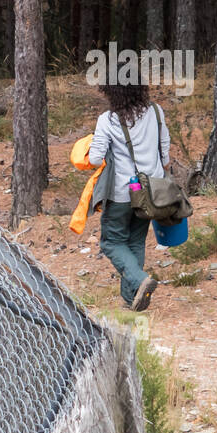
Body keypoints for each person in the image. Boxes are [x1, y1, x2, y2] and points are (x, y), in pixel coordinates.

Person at [87, 84, 170, 311]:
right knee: (135, 242)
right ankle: (132, 300)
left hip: (122, 192)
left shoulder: (108, 119)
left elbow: (94, 159)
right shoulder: (156, 111)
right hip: (151, 191)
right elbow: (165, 155)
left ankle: (140, 279)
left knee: (112, 242)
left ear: (112, 92)